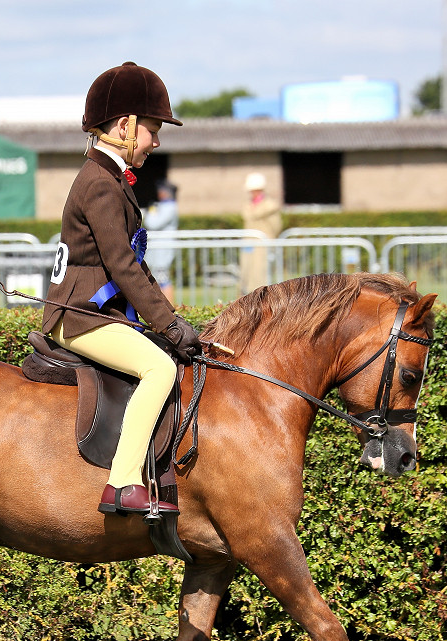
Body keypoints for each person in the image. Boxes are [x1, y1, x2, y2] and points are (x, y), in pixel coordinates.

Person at [42, 61, 201, 517]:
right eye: (153, 130)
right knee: (159, 370)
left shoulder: (108, 178)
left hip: (95, 314)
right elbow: (124, 268)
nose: (156, 141)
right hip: (80, 317)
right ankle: (123, 483)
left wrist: (174, 322)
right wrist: (169, 327)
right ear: (126, 125)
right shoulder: (100, 184)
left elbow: (135, 267)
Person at [240, 171, 281, 293]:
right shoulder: (248, 205)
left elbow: (276, 226)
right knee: (246, 273)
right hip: (248, 243)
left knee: (260, 274)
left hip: (262, 244)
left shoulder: (270, 206)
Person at [143, 180, 179, 299]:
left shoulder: (170, 207)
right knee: (159, 277)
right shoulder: (164, 206)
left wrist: (150, 213)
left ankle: (170, 305)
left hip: (163, 248)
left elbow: (152, 223)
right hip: (158, 249)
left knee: (163, 277)